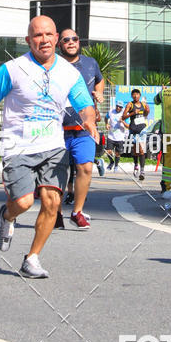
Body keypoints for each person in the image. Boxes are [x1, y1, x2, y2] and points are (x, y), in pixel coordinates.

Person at [0, 15, 97, 279]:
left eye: (48, 35)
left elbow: (85, 105)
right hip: (18, 146)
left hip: (53, 146)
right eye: (37, 35)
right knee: (22, 202)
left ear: (56, 38)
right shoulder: (13, 69)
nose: (43, 40)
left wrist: (90, 121)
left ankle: (32, 258)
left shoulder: (69, 73)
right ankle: (7, 216)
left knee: (52, 201)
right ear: (29, 40)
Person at [58, 28, 104, 229]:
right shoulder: (53, 65)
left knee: (85, 168)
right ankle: (56, 213)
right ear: (60, 44)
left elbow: (100, 81)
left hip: (84, 128)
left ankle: (77, 211)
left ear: (79, 42)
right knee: (57, 173)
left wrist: (98, 93)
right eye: (66, 39)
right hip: (57, 129)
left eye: (74, 39)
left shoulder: (90, 63)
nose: (70, 42)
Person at [122, 89, 150, 180]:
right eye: (134, 95)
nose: (135, 96)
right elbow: (123, 116)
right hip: (133, 130)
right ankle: (136, 165)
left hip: (142, 129)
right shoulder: (130, 104)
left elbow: (145, 114)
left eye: (137, 94)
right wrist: (133, 113)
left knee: (141, 150)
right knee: (135, 150)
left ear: (140, 95)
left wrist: (147, 111)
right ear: (131, 96)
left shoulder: (143, 104)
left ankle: (142, 171)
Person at [105, 101, 127, 171]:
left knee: (117, 153)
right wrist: (107, 124)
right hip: (111, 135)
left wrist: (123, 121)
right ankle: (111, 162)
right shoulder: (111, 112)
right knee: (108, 151)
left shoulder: (125, 114)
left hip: (120, 137)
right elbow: (106, 117)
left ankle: (116, 165)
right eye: (117, 106)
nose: (118, 108)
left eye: (120, 107)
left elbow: (128, 126)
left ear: (122, 108)